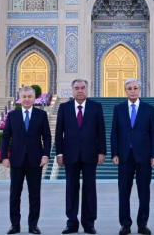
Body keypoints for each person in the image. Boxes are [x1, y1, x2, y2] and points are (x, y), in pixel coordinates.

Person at [55, 79, 106, 234]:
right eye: (77, 88)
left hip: (90, 155)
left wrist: (102, 151)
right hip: (70, 155)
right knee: (71, 189)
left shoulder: (96, 107)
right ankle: (72, 223)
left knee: (90, 188)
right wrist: (59, 153)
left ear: (87, 89)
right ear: (72, 90)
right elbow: (59, 132)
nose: (80, 90)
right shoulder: (64, 107)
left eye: (83, 88)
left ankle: (89, 223)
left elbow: (101, 131)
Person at [1, 85, 52, 235]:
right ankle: (14, 225)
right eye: (24, 97)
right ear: (19, 98)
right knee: (14, 194)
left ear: (34, 98)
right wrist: (4, 157)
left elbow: (47, 137)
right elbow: (5, 137)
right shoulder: (12, 115)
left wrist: (45, 155)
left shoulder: (41, 115)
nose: (27, 99)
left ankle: (33, 225)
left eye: (29, 96)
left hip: (35, 161)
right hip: (16, 161)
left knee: (35, 195)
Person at [110, 78, 154, 235]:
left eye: (135, 88)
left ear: (139, 90)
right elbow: (114, 132)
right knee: (124, 192)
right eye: (129, 88)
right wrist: (114, 153)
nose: (132, 91)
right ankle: (125, 224)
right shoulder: (118, 109)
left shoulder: (149, 109)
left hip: (144, 156)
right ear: (125, 91)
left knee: (144, 192)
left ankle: (142, 224)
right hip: (124, 157)